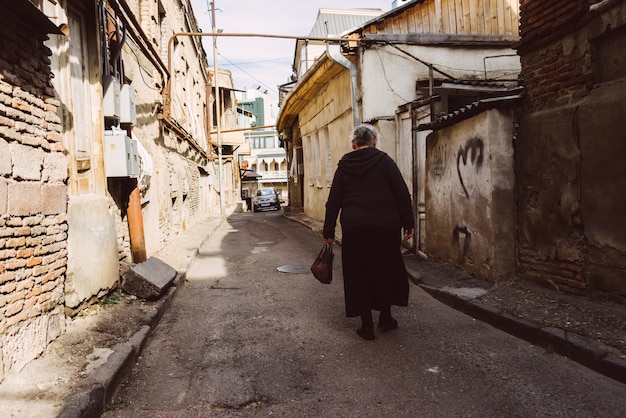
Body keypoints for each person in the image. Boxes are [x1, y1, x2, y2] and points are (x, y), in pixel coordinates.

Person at [323, 124, 415, 340]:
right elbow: (402, 193)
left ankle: (366, 326)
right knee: (385, 270)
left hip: (355, 228)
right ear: (374, 141)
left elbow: (333, 200)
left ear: (353, 144)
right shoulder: (385, 161)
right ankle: (385, 316)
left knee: (358, 273)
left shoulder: (344, 166)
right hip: (386, 226)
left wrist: (328, 230)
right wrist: (408, 222)